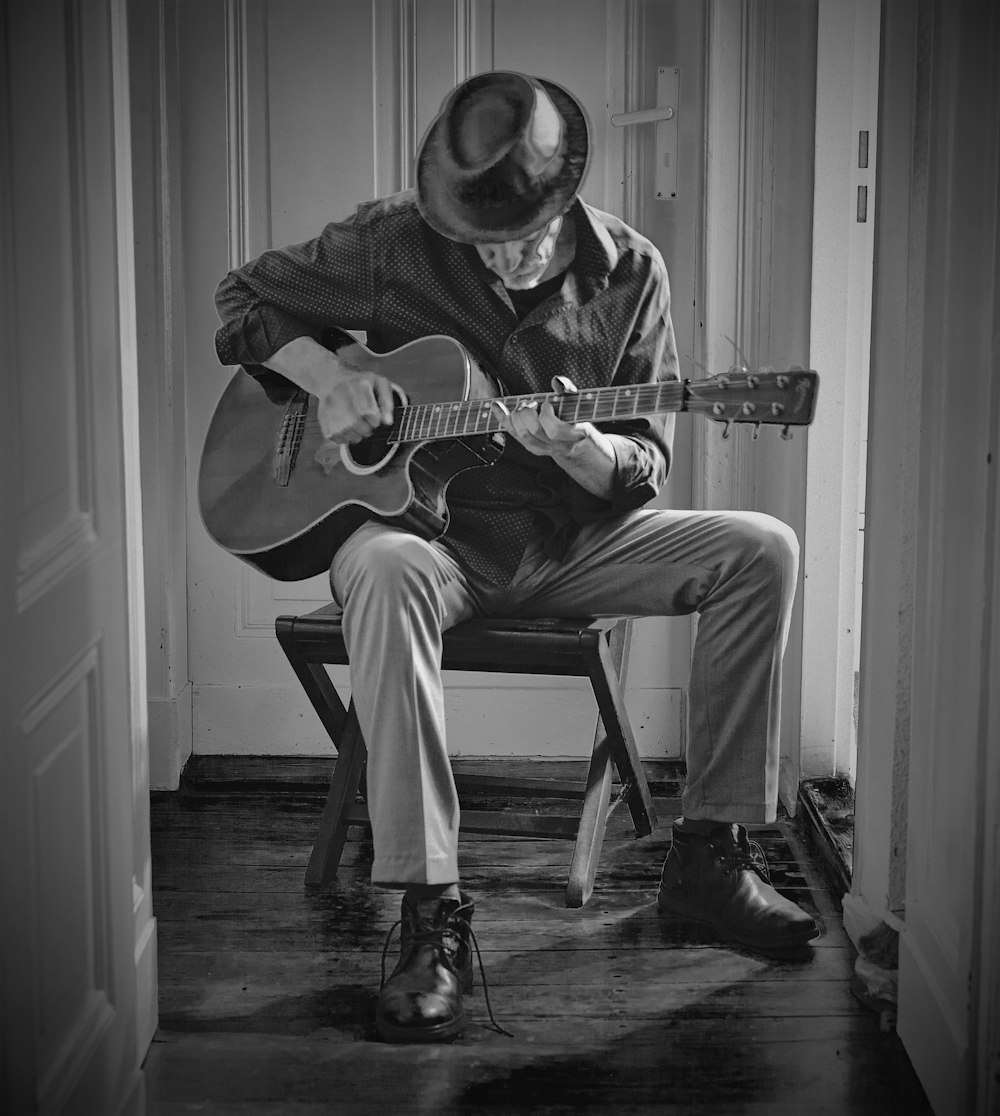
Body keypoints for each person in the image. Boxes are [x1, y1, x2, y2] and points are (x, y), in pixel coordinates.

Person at [214, 70, 818, 1045]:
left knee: (762, 549)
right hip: (436, 542)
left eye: (517, 233)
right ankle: (430, 910)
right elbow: (243, 301)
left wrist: (580, 447)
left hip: (572, 544)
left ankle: (709, 856)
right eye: (478, 237)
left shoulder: (632, 272)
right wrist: (328, 378)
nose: (498, 254)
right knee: (375, 566)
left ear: (562, 194)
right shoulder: (394, 241)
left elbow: (644, 468)